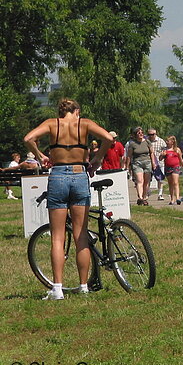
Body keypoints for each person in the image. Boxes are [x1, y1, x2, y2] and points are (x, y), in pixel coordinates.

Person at [23, 98, 113, 299]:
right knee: (81, 235)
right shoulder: (85, 123)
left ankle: (57, 288)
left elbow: (28, 138)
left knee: (57, 236)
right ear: (77, 111)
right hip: (80, 174)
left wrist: (39, 156)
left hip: (58, 175)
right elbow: (108, 138)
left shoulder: (51, 123)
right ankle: (83, 286)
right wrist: (98, 159)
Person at [125, 127, 157, 206]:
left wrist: (153, 163)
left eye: (142, 132)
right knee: (139, 180)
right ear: (135, 134)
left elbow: (152, 153)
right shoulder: (132, 144)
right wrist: (127, 166)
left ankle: (145, 197)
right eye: (139, 133)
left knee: (146, 181)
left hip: (147, 162)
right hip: (137, 163)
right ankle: (140, 197)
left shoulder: (147, 142)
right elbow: (129, 156)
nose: (141, 134)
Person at [160, 135, 183, 205]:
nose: (166, 142)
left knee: (175, 182)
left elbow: (181, 159)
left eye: (168, 141)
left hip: (175, 167)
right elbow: (160, 159)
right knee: (170, 183)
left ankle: (178, 198)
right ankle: (172, 199)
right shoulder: (165, 150)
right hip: (167, 167)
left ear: (172, 142)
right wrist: (162, 155)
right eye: (166, 141)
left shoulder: (177, 150)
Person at [147, 129, 167, 201]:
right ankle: (147, 192)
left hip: (159, 163)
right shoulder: (146, 141)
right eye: (149, 134)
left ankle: (160, 194)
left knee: (160, 179)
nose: (151, 136)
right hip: (148, 163)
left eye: (152, 134)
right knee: (148, 179)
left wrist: (164, 154)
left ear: (155, 134)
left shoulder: (161, 141)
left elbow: (165, 150)